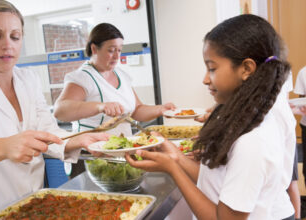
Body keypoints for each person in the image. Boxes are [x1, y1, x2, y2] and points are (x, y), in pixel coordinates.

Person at [0, 0, 108, 218]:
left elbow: (47, 130)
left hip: (31, 206)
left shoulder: (28, 79)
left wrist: (77, 139)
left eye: (15, 36)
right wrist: (4, 147)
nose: (7, 45)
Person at [126, 14, 296, 219]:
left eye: (212, 68)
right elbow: (216, 182)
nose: (205, 79)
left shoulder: (253, 141)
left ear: (246, 69)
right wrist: (175, 156)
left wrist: (173, 168)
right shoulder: (242, 120)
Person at [53, 23, 175, 137]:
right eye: (111, 50)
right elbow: (60, 111)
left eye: (119, 50)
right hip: (92, 152)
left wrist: (160, 109)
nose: (117, 56)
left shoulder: (122, 75)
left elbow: (137, 110)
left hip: (121, 148)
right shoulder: (83, 77)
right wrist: (100, 106)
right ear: (94, 49)